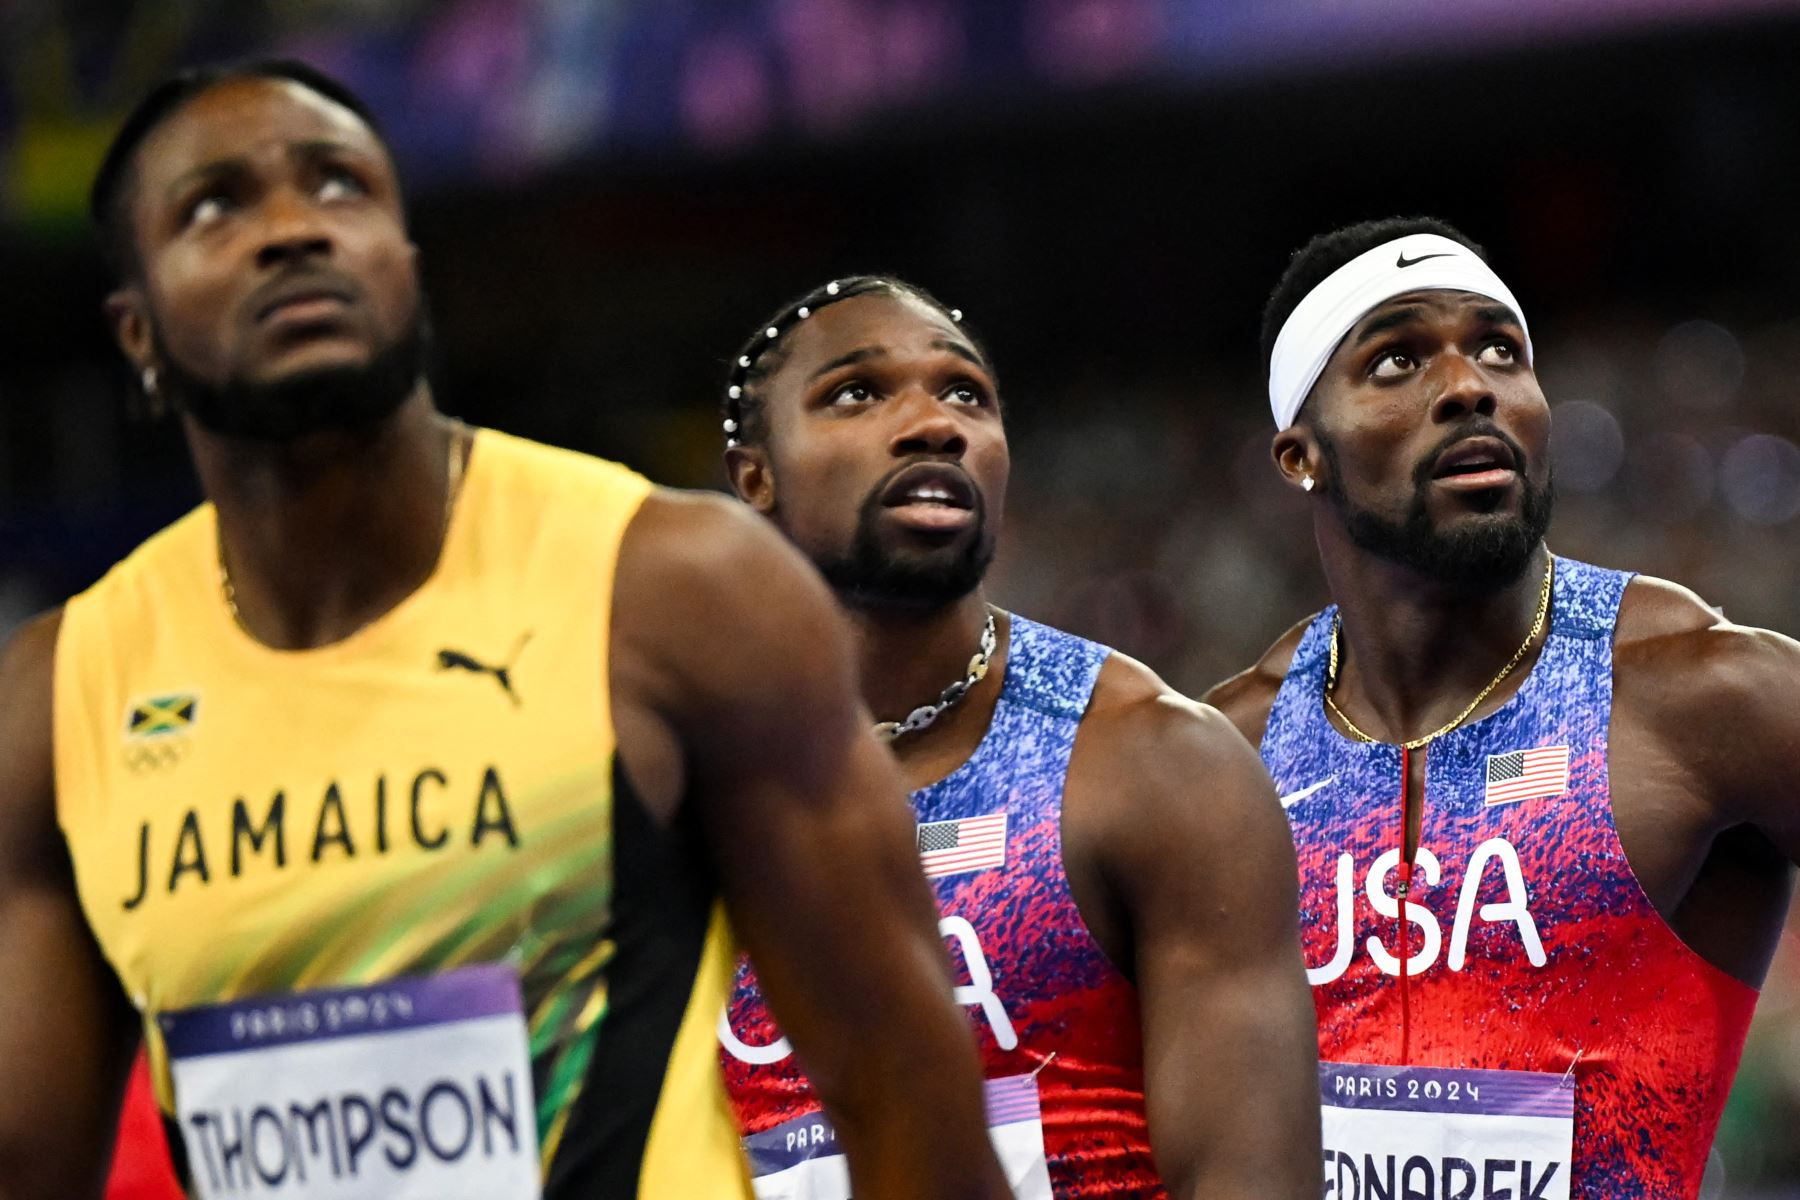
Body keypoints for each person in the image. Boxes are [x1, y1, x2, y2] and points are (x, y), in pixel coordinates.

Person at [0, 61, 1010, 1200]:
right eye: (215, 205)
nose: (292, 230)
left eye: (340, 187)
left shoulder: (672, 588)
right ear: (136, 332)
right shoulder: (58, 698)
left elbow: (902, 1085)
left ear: (405, 266)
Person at [1205, 215, 1800, 1199]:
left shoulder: (1694, 697)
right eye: (1397, 360)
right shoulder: (1228, 754)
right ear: (1301, 454)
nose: (1470, 385)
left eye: (1500, 350)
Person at [715, 275, 1321, 1200]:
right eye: (856, 393)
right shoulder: (669, 793)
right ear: (755, 474)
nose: (932, 424)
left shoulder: (1153, 764)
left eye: (966, 394)